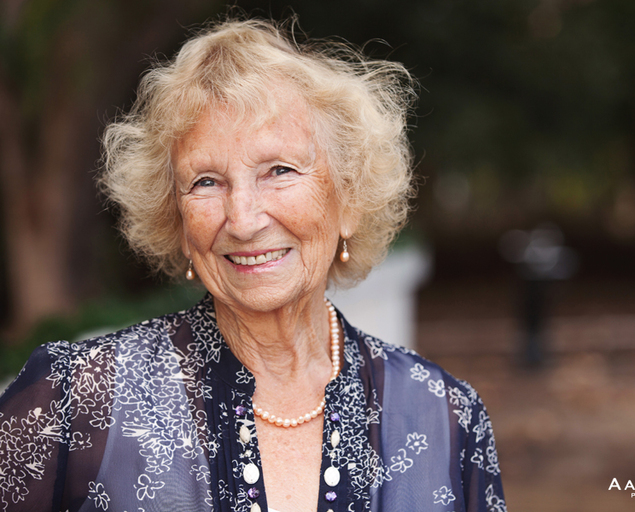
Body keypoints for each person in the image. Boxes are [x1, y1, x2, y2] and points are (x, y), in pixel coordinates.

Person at [0, 18, 507, 512]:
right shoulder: (74, 401)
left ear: (348, 199)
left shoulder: (445, 418)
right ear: (176, 218)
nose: (242, 220)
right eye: (205, 182)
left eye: (279, 171)